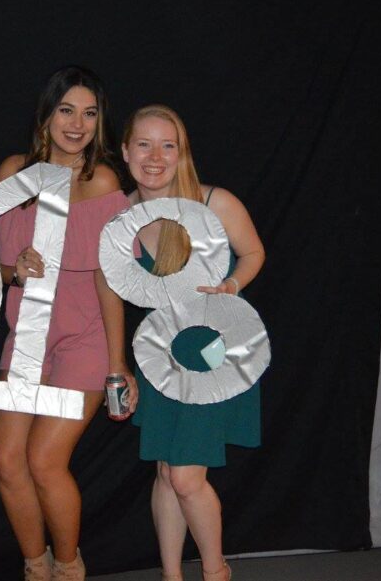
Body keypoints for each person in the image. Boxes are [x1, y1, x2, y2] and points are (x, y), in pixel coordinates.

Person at [0, 66, 138, 581]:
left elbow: (109, 279)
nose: (77, 124)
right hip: (26, 335)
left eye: (90, 113)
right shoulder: (14, 173)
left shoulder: (104, 180)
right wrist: (12, 269)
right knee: (8, 462)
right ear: (46, 114)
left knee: (45, 462)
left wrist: (119, 364)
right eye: (67, 110)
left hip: (86, 338)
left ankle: (70, 566)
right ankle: (37, 567)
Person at [121, 105, 265, 581]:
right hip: (159, 356)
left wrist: (233, 286)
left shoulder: (214, 202)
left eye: (169, 145)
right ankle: (171, 575)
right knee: (165, 472)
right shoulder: (121, 218)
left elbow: (253, 252)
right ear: (125, 151)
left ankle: (215, 572)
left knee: (185, 477)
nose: (156, 156)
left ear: (182, 153)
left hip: (213, 354)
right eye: (144, 144)